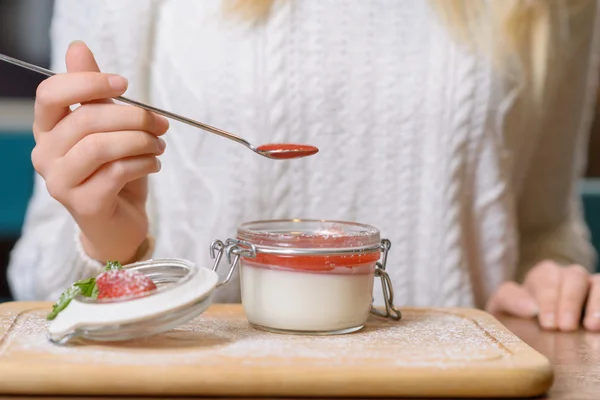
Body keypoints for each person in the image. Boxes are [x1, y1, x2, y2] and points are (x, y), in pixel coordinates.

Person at [7, 0, 600, 332]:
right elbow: (40, 284)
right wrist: (110, 241)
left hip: (464, 378)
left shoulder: (551, 10)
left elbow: (544, 230)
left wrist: (554, 283)